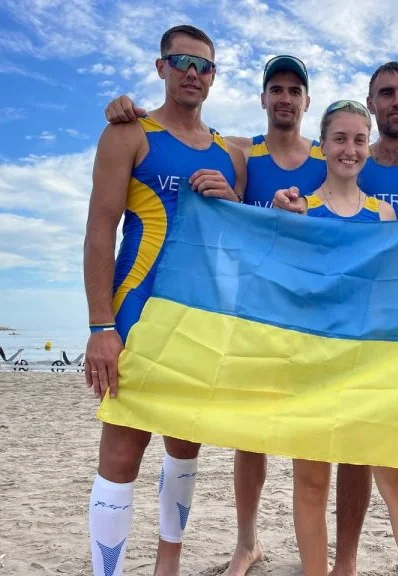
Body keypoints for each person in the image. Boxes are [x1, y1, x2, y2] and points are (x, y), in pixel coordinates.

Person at [104, 53, 324, 576]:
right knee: (236, 439)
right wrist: (127, 107)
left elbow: (359, 191)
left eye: (295, 90)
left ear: (306, 100)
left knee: (304, 446)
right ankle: (245, 543)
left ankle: (330, 560)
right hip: (222, 312)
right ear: (263, 98)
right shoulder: (240, 152)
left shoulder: (320, 155)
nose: (285, 98)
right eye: (277, 89)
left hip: (291, 316)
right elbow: (186, 144)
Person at [274, 61, 398, 576]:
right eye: (339, 139)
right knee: (312, 482)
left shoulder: (384, 215)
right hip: (313, 360)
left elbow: (395, 285)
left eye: (359, 139)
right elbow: (284, 285)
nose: (350, 149)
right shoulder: (298, 209)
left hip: (371, 361)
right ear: (322, 144)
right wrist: (280, 223)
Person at [83, 25, 245, 576]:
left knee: (184, 446)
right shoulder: (129, 134)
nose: (192, 73)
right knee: (120, 456)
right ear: (161, 67)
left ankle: (167, 564)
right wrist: (100, 326)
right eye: (181, 61)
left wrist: (233, 201)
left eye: (203, 65)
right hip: (137, 311)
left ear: (214, 76)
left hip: (199, 319)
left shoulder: (231, 155)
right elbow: (100, 230)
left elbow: (249, 234)